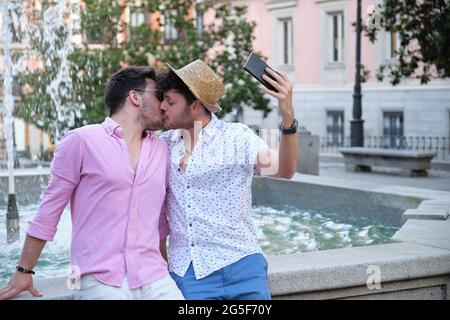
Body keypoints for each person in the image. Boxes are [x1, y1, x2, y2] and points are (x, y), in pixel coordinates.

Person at [0, 66, 184, 300]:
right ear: (135, 97)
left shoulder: (161, 149)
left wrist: (164, 266)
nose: (163, 104)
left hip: (154, 276)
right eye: (158, 95)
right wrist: (23, 271)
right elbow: (49, 209)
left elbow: (158, 219)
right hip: (100, 278)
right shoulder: (81, 141)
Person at [157, 59, 299, 300]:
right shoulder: (162, 146)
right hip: (190, 272)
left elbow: (284, 169)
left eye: (170, 101)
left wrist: (287, 116)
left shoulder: (237, 137)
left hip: (242, 263)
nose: (162, 106)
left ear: (195, 105)